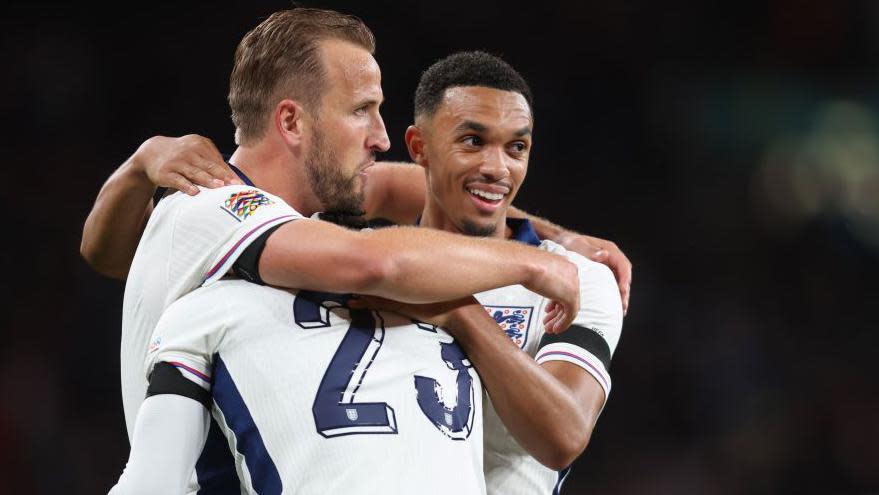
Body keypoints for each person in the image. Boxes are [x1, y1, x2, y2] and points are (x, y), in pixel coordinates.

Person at [91, 8, 581, 493]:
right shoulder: (209, 203)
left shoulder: (289, 227)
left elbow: (402, 188)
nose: (381, 136)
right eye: (361, 110)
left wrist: (552, 234)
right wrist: (532, 261)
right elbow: (376, 263)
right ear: (292, 122)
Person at [357, 51, 623, 494]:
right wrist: (199, 150)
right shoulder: (366, 263)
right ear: (418, 147)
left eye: (516, 147)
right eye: (473, 142)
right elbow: (265, 197)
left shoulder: (577, 278)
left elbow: (563, 435)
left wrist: (459, 313)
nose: (497, 168)